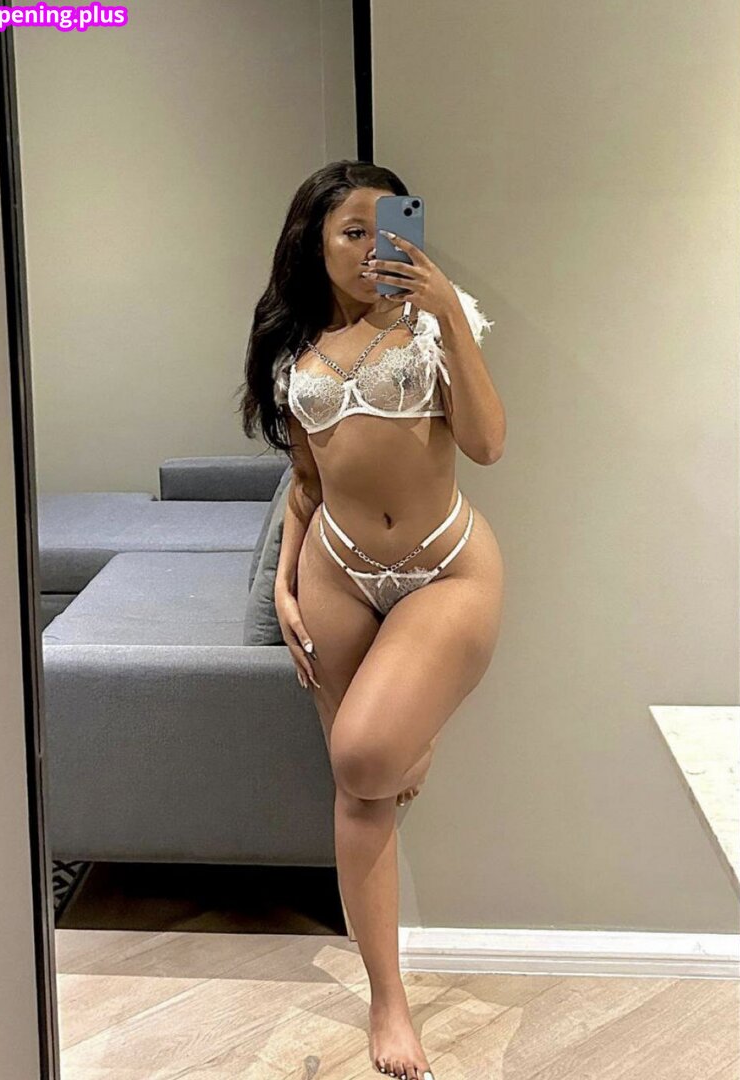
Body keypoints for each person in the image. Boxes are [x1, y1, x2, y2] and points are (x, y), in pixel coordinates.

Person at [240, 160, 505, 1080]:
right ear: (313, 243)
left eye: (384, 229)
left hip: (444, 566)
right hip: (335, 573)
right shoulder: (293, 348)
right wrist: (283, 580)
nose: (369, 248)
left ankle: (408, 743)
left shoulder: (432, 323)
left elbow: (488, 443)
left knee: (368, 757)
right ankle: (387, 1003)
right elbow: (306, 479)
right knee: (359, 789)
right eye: (350, 232)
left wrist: (447, 312)